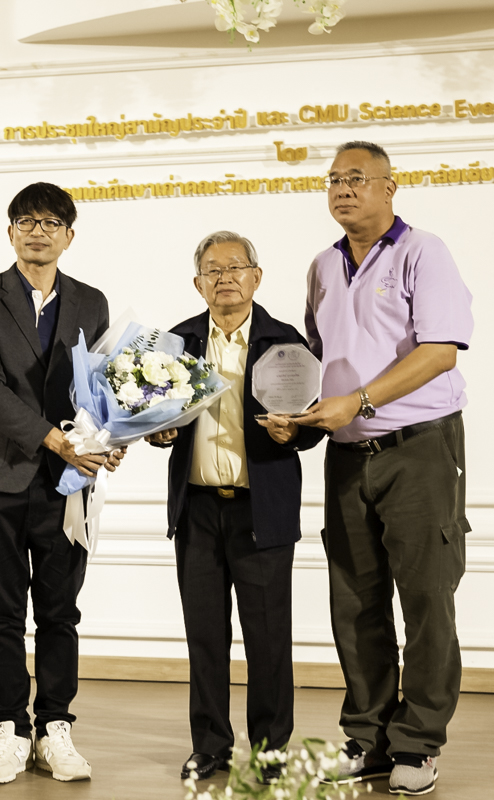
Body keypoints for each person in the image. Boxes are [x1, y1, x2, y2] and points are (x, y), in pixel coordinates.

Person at [289, 141, 474, 796]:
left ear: (390, 187)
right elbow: (315, 358)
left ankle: (418, 744)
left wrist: (361, 400)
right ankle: (367, 738)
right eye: (334, 180)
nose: (343, 189)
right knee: (355, 602)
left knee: (426, 600)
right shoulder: (322, 265)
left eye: (357, 178)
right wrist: (296, 414)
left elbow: (441, 351)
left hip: (419, 449)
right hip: (346, 456)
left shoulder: (423, 252)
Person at [0, 182, 124, 785]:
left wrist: (111, 437)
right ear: (10, 232)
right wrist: (53, 439)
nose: (38, 232)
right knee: (1, 612)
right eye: (26, 221)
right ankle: (9, 726)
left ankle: (55, 726)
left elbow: (100, 387)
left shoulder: (91, 301)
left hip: (66, 484)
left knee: (59, 612)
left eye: (51, 222)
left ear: (69, 236)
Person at [147, 231, 326, 784]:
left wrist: (294, 434)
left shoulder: (285, 342)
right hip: (197, 508)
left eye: (235, 267)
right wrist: (157, 433)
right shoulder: (174, 343)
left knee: (268, 638)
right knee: (205, 636)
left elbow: (314, 423)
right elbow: (153, 416)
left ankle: (270, 751)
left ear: (256, 277)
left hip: (261, 510)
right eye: (213, 269)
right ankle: (210, 746)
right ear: (197, 283)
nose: (224, 277)